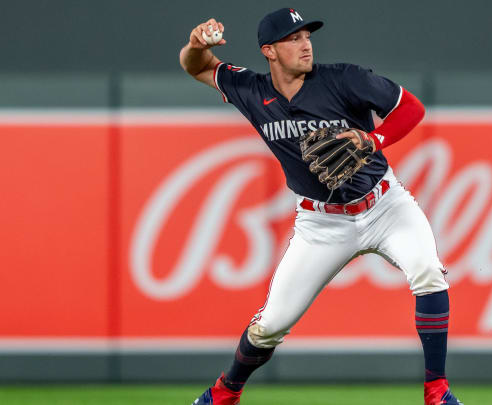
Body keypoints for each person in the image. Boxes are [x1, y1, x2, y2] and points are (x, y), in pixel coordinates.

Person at [180, 8, 463, 405]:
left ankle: (437, 392)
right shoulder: (250, 89)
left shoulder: (343, 78)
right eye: (293, 38)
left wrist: (372, 140)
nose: (305, 44)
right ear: (270, 51)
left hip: (384, 206)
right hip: (320, 223)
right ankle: (224, 393)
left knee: (429, 271)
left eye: (307, 36)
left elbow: (412, 109)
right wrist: (196, 45)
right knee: (269, 326)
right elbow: (197, 67)